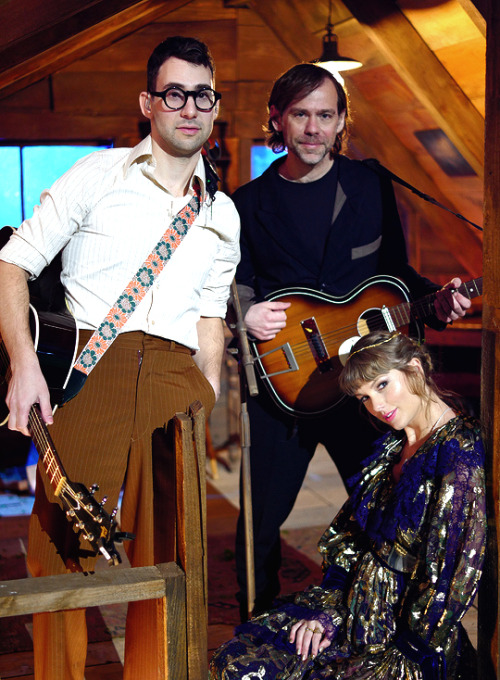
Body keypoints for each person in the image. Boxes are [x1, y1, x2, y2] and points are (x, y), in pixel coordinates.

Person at [0, 36, 239, 680]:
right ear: (148, 103)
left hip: (175, 387)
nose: (189, 107)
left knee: (173, 565)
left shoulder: (222, 213)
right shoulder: (96, 176)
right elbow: (12, 262)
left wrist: (208, 393)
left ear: (214, 106)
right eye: (174, 94)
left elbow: (211, 313)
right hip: (90, 379)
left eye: (202, 95)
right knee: (58, 557)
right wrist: (24, 365)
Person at [231, 62, 473, 620]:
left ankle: (374, 617)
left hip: (364, 388)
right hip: (283, 392)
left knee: (384, 507)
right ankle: (252, 623)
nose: (313, 129)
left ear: (342, 122)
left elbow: (394, 275)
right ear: (278, 120)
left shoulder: (369, 184)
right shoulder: (246, 203)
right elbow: (227, 286)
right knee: (259, 525)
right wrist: (244, 314)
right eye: (300, 115)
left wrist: (439, 300)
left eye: (325, 115)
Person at [209, 330, 486, 680]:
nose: (377, 407)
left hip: (409, 634)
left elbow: (452, 577)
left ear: (415, 368)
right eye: (364, 397)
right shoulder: (389, 449)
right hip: (354, 604)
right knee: (235, 661)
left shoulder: (458, 456)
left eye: (382, 385)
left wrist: (405, 654)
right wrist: (329, 614)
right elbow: (353, 541)